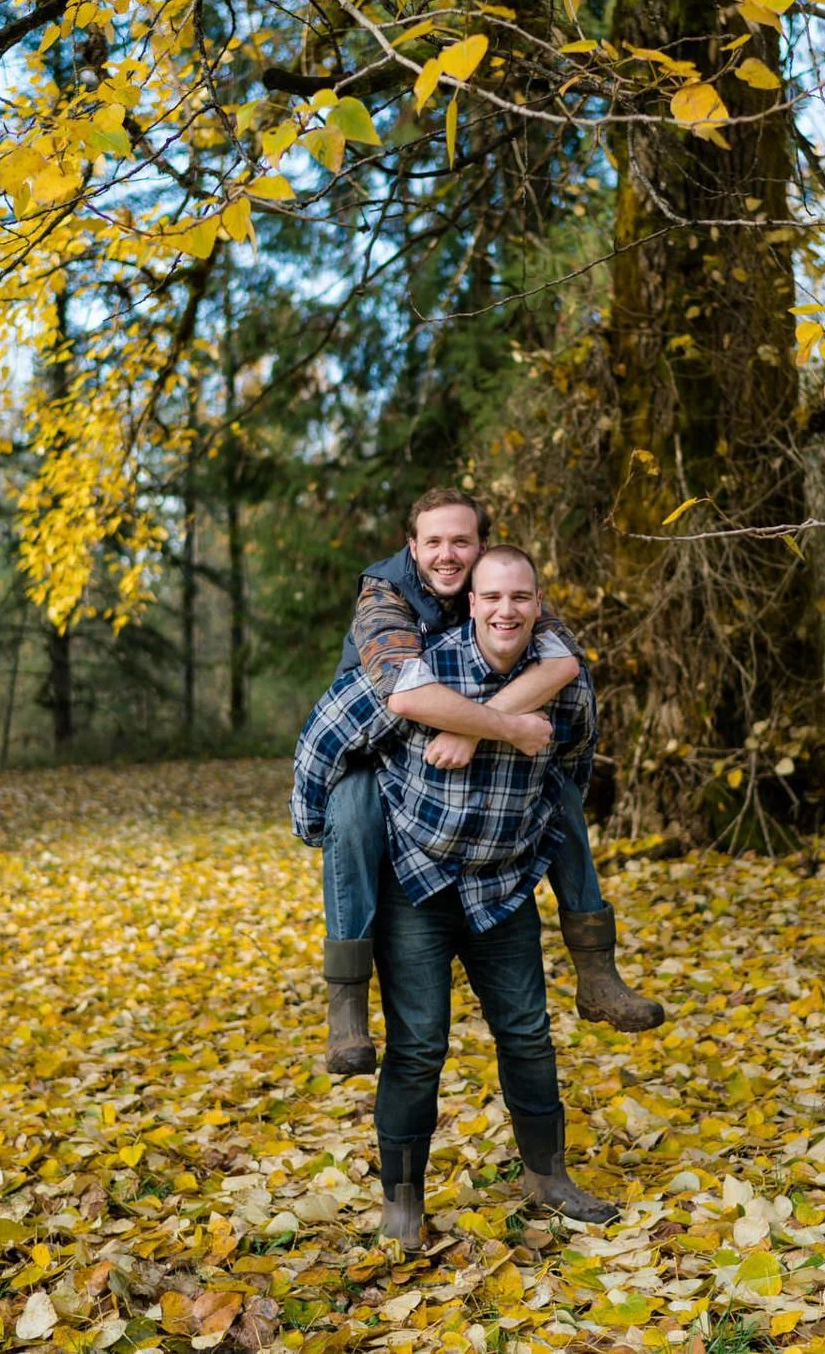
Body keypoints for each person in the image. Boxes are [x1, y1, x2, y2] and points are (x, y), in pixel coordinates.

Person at [293, 547, 622, 1248]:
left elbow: (575, 763)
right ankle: (403, 1201)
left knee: (528, 1035)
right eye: (492, 597)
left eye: (521, 598)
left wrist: (534, 832)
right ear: (469, 602)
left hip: (503, 889)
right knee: (419, 1047)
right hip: (419, 885)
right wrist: (318, 827)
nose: (506, 610)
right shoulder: (423, 670)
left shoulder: (563, 679)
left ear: (538, 605)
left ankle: (547, 1176)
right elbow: (323, 736)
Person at [315, 488, 663, 1073]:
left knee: (559, 791)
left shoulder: (501, 585)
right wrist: (506, 726)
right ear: (412, 547)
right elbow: (406, 693)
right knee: (350, 817)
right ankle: (346, 1004)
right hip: (376, 749)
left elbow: (561, 661)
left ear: (479, 548)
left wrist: (478, 733)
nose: (447, 554)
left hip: (478, 758)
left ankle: (598, 973)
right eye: (434, 543)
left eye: (461, 541)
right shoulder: (384, 597)